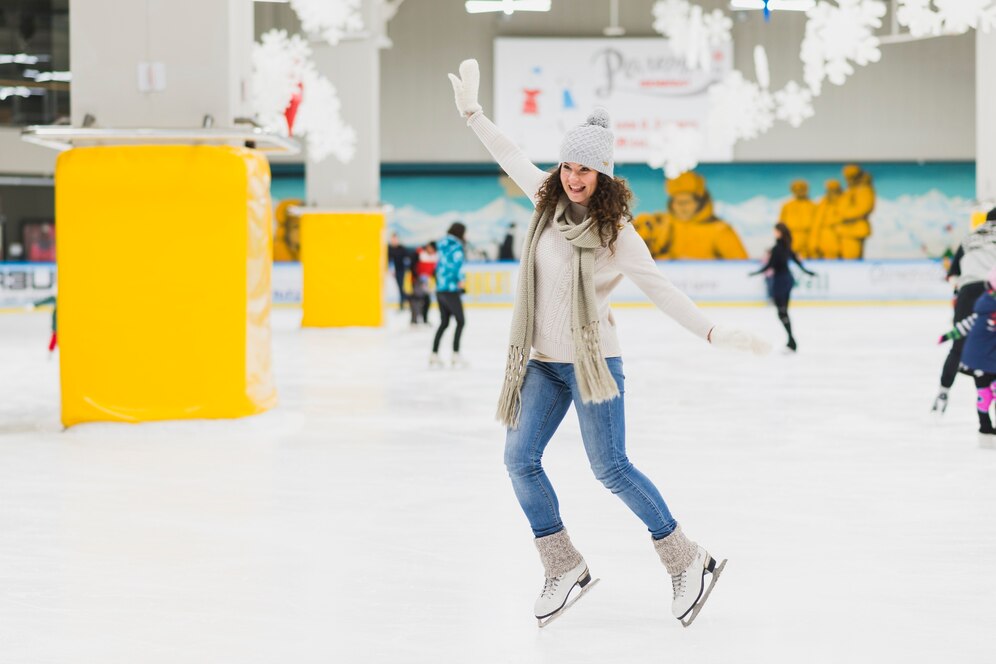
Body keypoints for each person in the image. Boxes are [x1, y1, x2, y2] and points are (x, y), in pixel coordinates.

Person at [447, 58, 771, 628]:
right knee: (519, 460)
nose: (573, 177)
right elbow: (510, 154)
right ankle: (563, 565)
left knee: (610, 467)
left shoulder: (616, 236)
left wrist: (716, 332)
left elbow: (662, 291)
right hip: (542, 363)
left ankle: (686, 558)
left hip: (593, 364)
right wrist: (473, 113)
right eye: (568, 165)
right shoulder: (545, 201)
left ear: (603, 175)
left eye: (585, 169)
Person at [932, 207, 996, 413]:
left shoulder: (970, 238)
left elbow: (952, 275)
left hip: (966, 292)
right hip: (992, 292)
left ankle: (943, 391)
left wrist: (959, 293)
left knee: (958, 346)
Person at [938, 265, 996, 449]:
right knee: (985, 396)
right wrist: (948, 336)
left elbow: (964, 325)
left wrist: (948, 336)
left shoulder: (982, 306)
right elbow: (965, 326)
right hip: (981, 362)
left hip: (983, 361)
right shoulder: (984, 309)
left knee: (986, 394)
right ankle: (985, 430)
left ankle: (985, 430)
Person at [634, 171, 748, 260]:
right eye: (678, 202)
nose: (682, 207)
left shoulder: (721, 230)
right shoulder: (660, 224)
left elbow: (741, 267)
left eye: (687, 202)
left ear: (700, 203)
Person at [749, 223, 816, 353]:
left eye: (775, 230)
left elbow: (770, 266)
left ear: (779, 232)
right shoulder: (787, 247)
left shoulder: (777, 249)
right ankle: (791, 340)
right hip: (788, 281)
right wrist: (807, 272)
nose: (774, 232)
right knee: (784, 312)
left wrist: (756, 273)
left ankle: (792, 340)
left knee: (781, 312)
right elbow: (797, 262)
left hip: (780, 282)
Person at [429, 223, 468, 368]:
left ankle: (434, 354)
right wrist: (461, 281)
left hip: (440, 289)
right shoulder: (457, 246)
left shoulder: (441, 243)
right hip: (451, 289)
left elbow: (438, 265)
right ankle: (456, 354)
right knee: (460, 321)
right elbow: (457, 266)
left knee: (444, 322)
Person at [836, 164, 875, 260]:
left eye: (849, 176)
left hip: (854, 231)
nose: (847, 179)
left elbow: (863, 209)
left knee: (851, 262)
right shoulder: (850, 190)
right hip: (846, 231)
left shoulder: (863, 189)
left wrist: (842, 215)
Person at [778, 180, 816, 258]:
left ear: (806, 190)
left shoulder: (813, 206)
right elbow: (781, 224)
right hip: (791, 236)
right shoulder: (787, 206)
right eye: (797, 190)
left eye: (801, 189)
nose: (799, 192)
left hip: (808, 236)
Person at [808, 179, 844, 259]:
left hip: (840, 238)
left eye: (834, 190)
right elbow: (816, 225)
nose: (831, 192)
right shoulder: (823, 204)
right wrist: (813, 243)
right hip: (825, 239)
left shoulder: (844, 202)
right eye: (829, 190)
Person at [387, 233, 410, 312]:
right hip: (390, 272)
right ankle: (405, 301)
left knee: (401, 288)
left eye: (395, 239)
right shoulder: (388, 248)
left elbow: (407, 259)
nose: (394, 240)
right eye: (393, 239)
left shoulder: (401, 249)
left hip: (400, 271)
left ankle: (403, 304)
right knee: (395, 288)